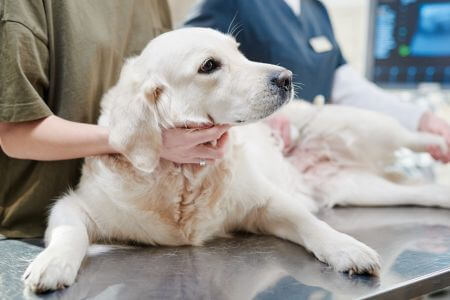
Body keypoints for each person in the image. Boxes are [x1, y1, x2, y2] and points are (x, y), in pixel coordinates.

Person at [0, 0, 229, 238]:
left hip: (134, 220)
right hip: (35, 231)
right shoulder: (22, 5)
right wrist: (137, 138)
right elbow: (15, 134)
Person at [184, 0, 450, 161]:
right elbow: (186, 71)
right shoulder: (228, 3)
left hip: (314, 162)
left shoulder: (315, 8)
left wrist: (423, 120)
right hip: (259, 163)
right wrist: (262, 117)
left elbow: (345, 86)